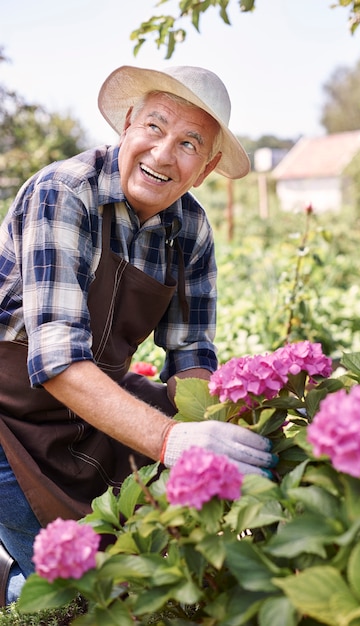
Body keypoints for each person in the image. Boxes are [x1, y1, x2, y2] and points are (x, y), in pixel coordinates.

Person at [0, 65, 278, 605]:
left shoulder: (190, 230)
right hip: (8, 415)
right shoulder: (66, 193)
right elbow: (56, 358)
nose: (162, 153)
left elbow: (192, 354)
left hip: (90, 410)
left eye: (189, 143)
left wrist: (215, 427)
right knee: (61, 586)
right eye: (154, 126)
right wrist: (172, 440)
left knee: (118, 566)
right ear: (127, 125)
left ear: (206, 168)